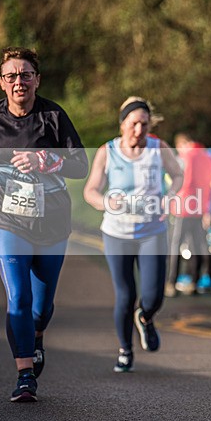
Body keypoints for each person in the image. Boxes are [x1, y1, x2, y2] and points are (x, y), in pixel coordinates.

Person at [0, 46, 89, 402]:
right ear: (2, 82)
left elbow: (81, 166)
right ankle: (25, 375)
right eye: (11, 76)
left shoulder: (54, 117)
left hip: (51, 221)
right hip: (5, 219)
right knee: (18, 298)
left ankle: (36, 337)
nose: (19, 81)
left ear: (37, 80)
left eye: (26, 74)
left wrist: (49, 162)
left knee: (40, 308)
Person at [83, 97, 183, 373]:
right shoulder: (108, 151)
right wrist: (106, 203)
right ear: (122, 123)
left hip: (152, 230)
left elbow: (177, 176)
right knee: (125, 295)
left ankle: (147, 318)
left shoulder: (158, 148)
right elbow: (90, 191)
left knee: (153, 296)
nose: (139, 130)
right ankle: (125, 350)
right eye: (134, 123)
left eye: (144, 124)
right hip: (117, 233)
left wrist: (169, 196)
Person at [166, 132, 211, 296]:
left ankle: (171, 282)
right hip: (200, 207)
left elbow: (182, 182)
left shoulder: (185, 157)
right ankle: (194, 282)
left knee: (176, 245)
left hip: (183, 206)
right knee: (197, 245)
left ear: (182, 144)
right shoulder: (207, 156)